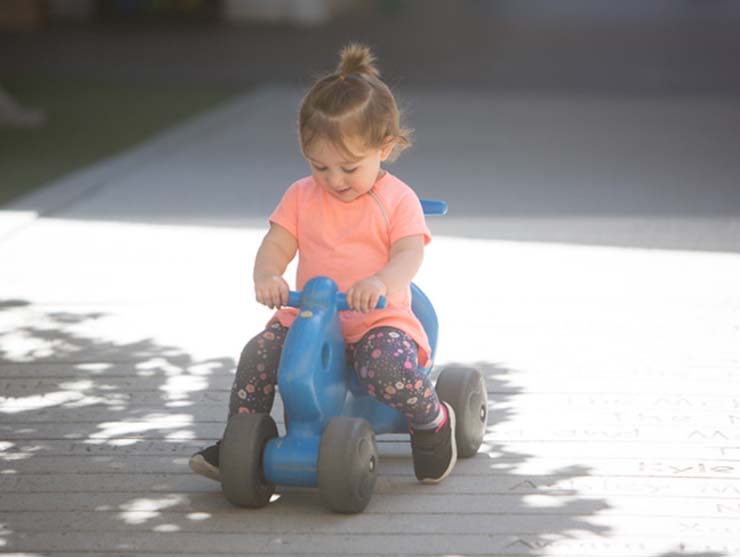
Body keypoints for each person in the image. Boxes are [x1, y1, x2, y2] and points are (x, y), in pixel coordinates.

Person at [189, 43, 456, 485]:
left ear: (384, 148)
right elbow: (276, 242)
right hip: (308, 315)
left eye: (349, 168)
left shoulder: (397, 200)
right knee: (259, 355)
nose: (334, 180)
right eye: (320, 166)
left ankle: (432, 420)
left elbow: (410, 253)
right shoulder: (300, 196)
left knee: (387, 367)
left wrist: (380, 281)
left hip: (376, 318)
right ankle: (240, 438)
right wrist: (268, 274)